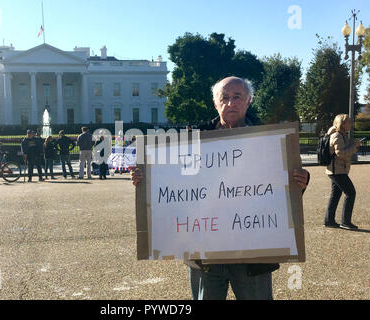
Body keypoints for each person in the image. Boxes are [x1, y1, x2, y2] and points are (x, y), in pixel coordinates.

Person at [131, 76, 310, 300]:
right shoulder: (194, 138)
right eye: (224, 97)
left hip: (254, 253)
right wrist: (146, 178)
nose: (230, 102)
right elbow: (175, 183)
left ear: (248, 101)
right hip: (206, 253)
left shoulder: (269, 138)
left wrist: (301, 180)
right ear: (215, 103)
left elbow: (281, 189)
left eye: (237, 97)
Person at [324, 114, 361, 230]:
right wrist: (354, 147)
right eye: (348, 122)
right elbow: (340, 154)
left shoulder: (341, 135)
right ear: (342, 123)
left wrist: (354, 144)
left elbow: (342, 150)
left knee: (336, 195)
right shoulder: (337, 135)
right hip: (337, 171)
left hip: (337, 170)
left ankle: (329, 220)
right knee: (351, 193)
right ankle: (345, 222)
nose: (350, 124)